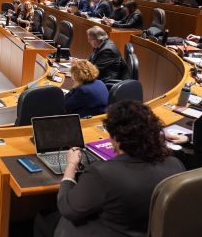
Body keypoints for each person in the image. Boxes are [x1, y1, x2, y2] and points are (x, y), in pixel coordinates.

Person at [48, 101, 185, 237]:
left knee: (43, 221)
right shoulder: (175, 165)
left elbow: (67, 209)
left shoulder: (103, 174)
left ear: (116, 138)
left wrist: (71, 166)